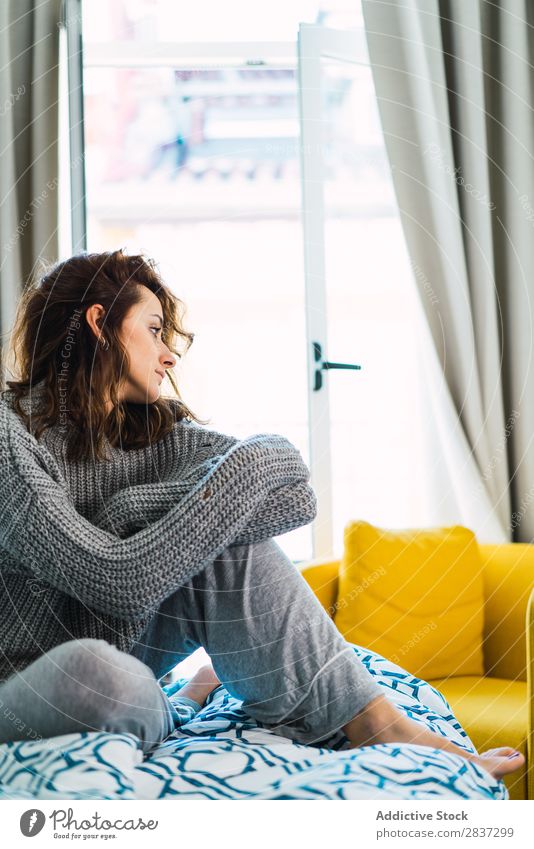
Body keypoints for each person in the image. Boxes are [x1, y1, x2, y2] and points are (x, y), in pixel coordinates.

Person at [0, 249, 524, 785]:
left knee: (230, 546)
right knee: (97, 676)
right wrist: (201, 496)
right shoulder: (9, 440)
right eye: (155, 330)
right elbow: (114, 582)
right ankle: (183, 697)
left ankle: (380, 723)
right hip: (25, 682)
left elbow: (295, 493)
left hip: (123, 648)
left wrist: (140, 506)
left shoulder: (149, 432)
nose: (168, 355)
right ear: (99, 325)